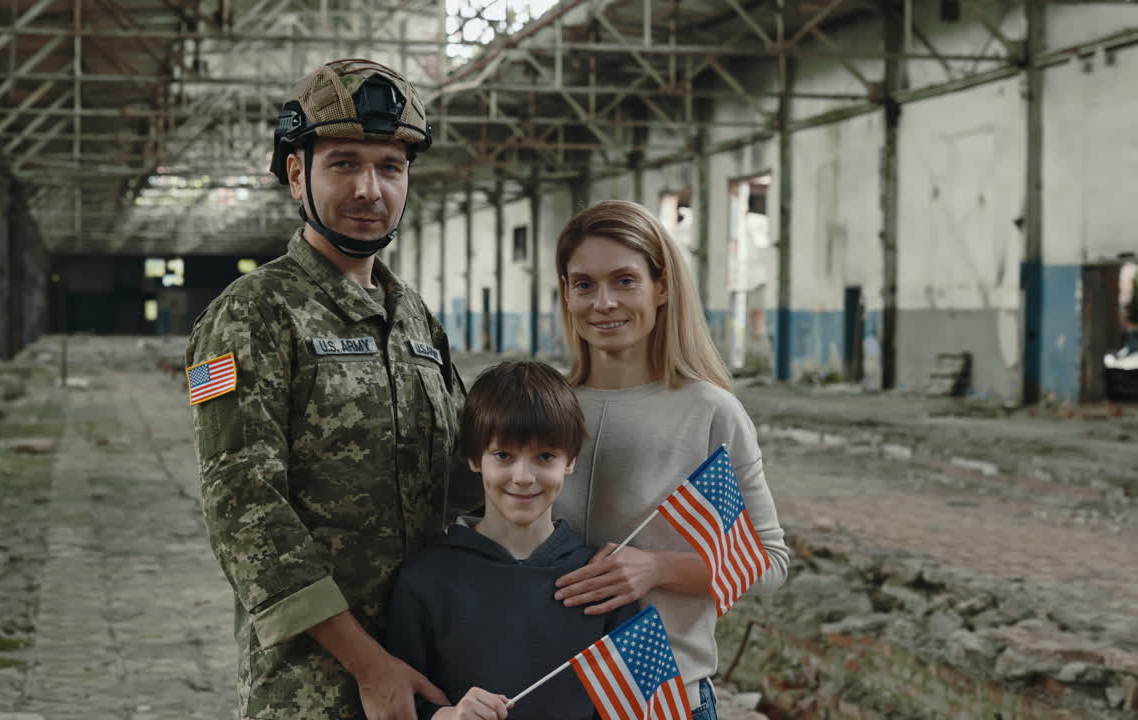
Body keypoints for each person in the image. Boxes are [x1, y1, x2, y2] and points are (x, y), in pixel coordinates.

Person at [186, 59, 480, 720]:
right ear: (298, 176)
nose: (370, 189)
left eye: (390, 167)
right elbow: (244, 509)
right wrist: (370, 668)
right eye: (344, 163)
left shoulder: (416, 322)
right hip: (314, 688)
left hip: (431, 673)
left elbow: (461, 485)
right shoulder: (255, 314)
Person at [549, 200, 790, 720]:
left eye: (625, 281)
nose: (604, 302)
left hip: (661, 695)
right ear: (566, 293)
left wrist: (656, 568)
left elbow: (768, 561)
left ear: (661, 288)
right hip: (542, 691)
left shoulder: (710, 411)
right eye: (584, 284)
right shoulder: (543, 408)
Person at [384, 361, 639, 720]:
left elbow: (634, 704)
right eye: (503, 455)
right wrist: (446, 716)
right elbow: (400, 704)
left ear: (570, 460)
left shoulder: (600, 580)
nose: (523, 477)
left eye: (545, 457)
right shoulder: (425, 580)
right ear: (475, 457)